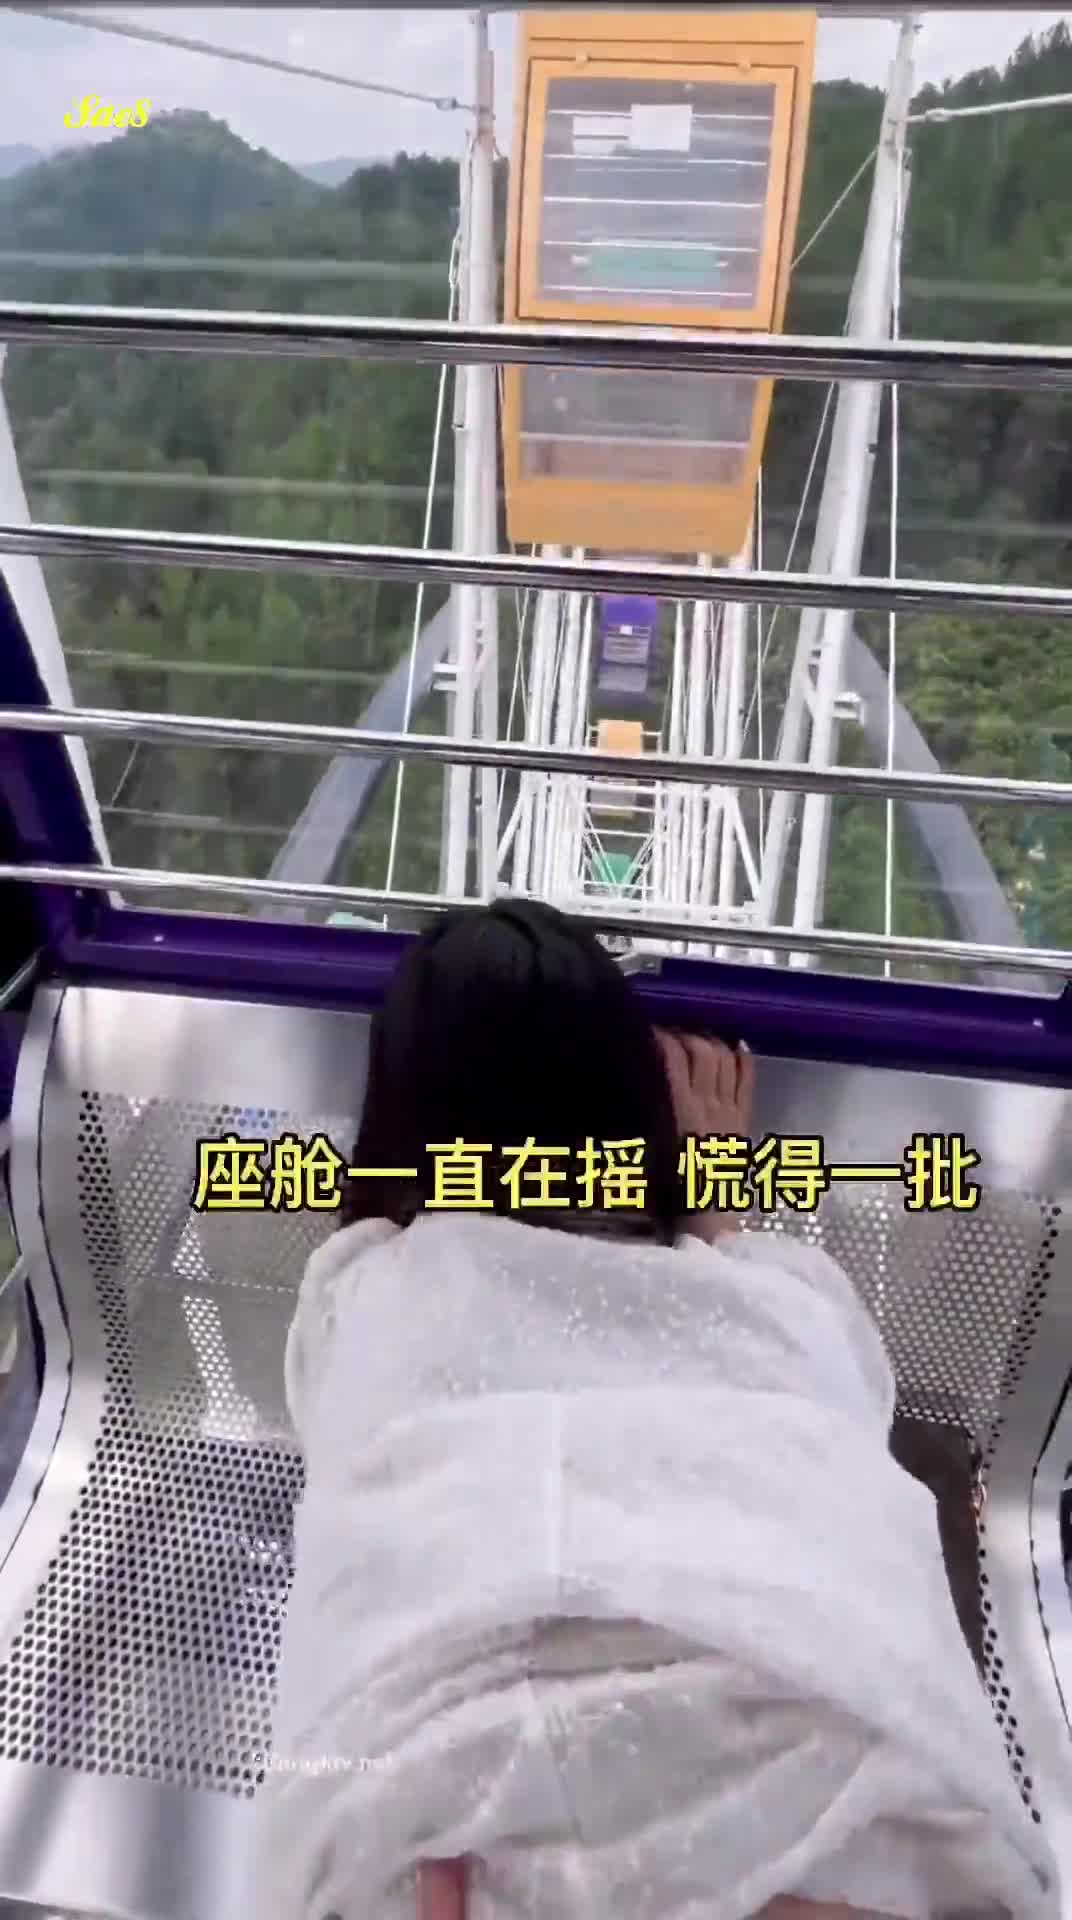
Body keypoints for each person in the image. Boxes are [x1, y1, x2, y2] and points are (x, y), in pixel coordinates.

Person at [255, 900, 1058, 1920]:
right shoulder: (779, 1299)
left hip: (433, 1803)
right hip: (829, 1755)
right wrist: (710, 1193)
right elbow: (839, 1398)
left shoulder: (363, 1291)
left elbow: (338, 1406)